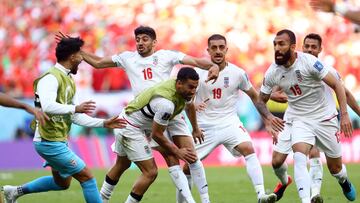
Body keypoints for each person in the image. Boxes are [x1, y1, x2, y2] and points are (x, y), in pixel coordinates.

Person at [58, 26, 218, 203]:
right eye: (138, 39)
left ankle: (200, 200)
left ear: (154, 42)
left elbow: (195, 61)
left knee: (188, 156)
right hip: (144, 118)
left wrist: (213, 66)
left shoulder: (166, 56)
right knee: (124, 164)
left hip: (170, 111)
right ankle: (102, 199)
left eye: (145, 39)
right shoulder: (128, 58)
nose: (140, 43)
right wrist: (77, 50)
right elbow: (98, 62)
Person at [2, 37, 127, 203]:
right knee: (87, 177)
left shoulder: (68, 79)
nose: (83, 59)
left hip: (58, 140)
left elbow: (74, 117)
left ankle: (14, 192)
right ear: (73, 56)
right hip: (48, 142)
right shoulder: (50, 78)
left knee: (62, 183)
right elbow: (48, 107)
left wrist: (103, 123)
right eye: (80, 55)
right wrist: (75, 108)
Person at [178, 34, 283, 203]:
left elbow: (255, 97)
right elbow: (184, 102)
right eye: (214, 48)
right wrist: (195, 122)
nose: (218, 51)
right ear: (208, 50)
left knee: (249, 148)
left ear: (226, 50)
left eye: (221, 47)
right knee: (187, 168)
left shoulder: (238, 73)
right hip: (205, 127)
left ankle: (261, 195)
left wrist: (268, 118)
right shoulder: (197, 73)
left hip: (230, 123)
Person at [259, 29, 355, 203]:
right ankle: (306, 199)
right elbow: (261, 98)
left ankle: (344, 180)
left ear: (293, 47)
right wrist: (268, 119)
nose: (277, 48)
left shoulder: (312, 64)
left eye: (281, 44)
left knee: (336, 168)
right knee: (299, 156)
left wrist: (345, 115)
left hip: (325, 119)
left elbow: (340, 87)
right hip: (299, 119)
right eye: (275, 44)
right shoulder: (273, 71)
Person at [111, 67, 201, 203]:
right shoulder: (166, 104)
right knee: (150, 172)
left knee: (121, 164)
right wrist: (178, 151)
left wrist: (195, 129)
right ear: (179, 83)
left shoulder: (181, 89)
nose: (193, 91)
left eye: (195, 87)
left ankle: (100, 199)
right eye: (191, 87)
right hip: (130, 127)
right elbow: (157, 135)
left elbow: (190, 105)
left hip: (133, 122)